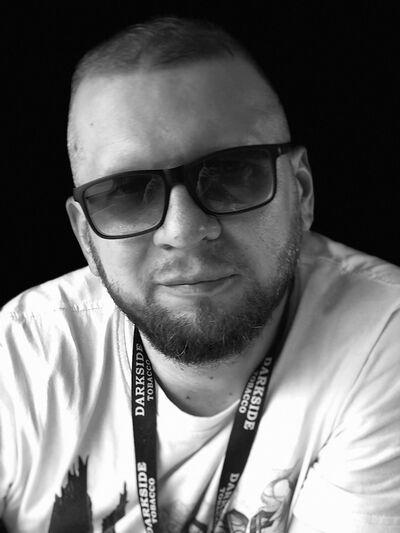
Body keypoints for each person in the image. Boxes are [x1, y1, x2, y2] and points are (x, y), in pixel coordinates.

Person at [0, 15, 399, 533]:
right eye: (127, 192)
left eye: (232, 173)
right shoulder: (21, 356)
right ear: (85, 237)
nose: (184, 231)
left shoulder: (383, 336)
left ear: (301, 191)